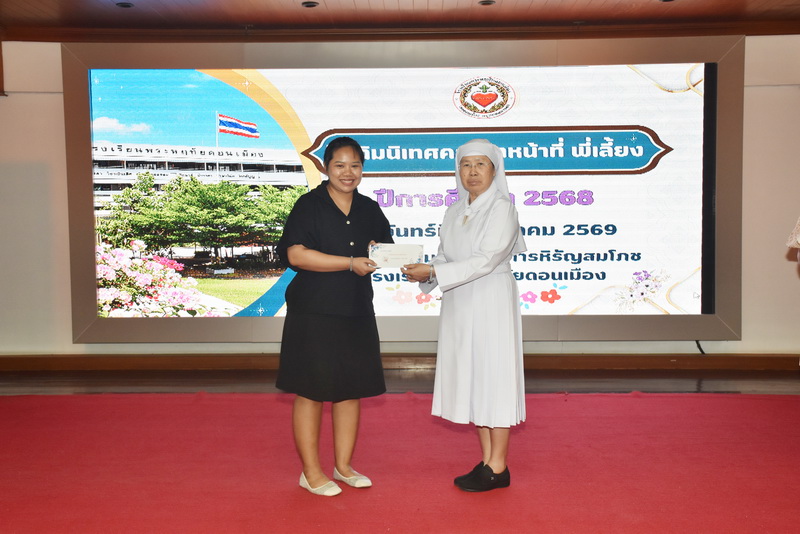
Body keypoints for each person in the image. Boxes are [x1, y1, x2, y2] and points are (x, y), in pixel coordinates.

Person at [403, 138, 526, 492]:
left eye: (480, 164)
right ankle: (487, 460)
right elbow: (445, 255)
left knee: (493, 376)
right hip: (459, 300)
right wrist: (424, 272)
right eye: (465, 165)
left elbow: (486, 259)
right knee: (474, 377)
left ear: (494, 170)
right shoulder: (455, 210)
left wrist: (435, 272)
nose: (472, 172)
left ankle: (499, 466)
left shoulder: (502, 208)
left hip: (490, 298)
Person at [276, 136, 393, 497]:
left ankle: (343, 467)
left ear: (362, 168)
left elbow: (384, 249)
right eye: (340, 165)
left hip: (356, 310)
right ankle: (311, 472)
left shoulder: (369, 208)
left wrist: (381, 253)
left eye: (355, 165)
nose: (348, 172)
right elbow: (296, 255)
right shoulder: (309, 205)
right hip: (314, 311)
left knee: (350, 389)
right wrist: (349, 262)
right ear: (325, 167)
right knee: (311, 391)